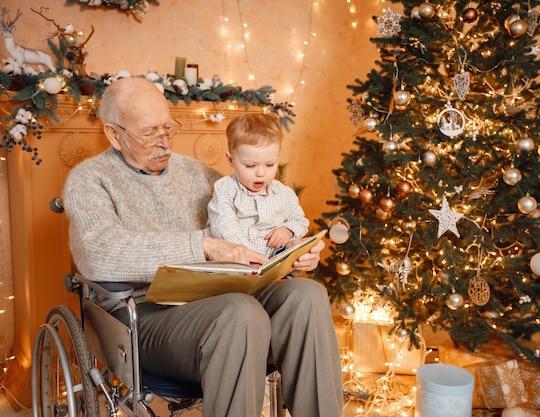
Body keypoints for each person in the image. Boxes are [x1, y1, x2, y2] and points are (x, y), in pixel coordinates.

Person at [62, 76, 343, 417]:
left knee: (307, 296)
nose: (164, 142)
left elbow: (256, 226)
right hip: (141, 319)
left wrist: (295, 250)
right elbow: (99, 254)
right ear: (114, 134)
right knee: (240, 312)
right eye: (150, 133)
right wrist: (204, 246)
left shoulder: (200, 175)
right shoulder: (90, 179)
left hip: (221, 298)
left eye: (168, 128)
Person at [205, 113, 309, 258]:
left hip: (270, 261)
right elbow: (224, 226)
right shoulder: (225, 188)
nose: (261, 173)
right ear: (231, 160)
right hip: (234, 261)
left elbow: (300, 221)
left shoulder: (285, 194)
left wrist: (288, 230)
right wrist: (249, 255)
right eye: (250, 165)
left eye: (270, 164)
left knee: (295, 248)